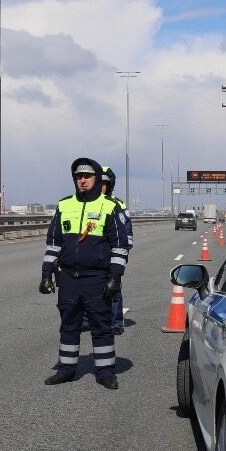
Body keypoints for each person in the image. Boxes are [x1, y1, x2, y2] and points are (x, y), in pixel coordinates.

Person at [39, 157, 131, 390]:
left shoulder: (109, 207)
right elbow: (53, 243)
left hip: (96, 278)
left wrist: (115, 277)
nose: (83, 181)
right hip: (68, 277)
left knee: (101, 325)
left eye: (87, 177)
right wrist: (46, 273)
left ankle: (106, 372)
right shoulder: (64, 205)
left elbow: (120, 246)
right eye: (79, 177)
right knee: (68, 324)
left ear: (97, 179)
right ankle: (67, 369)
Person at [100, 166, 133, 334]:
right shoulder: (85, 204)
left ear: (110, 184)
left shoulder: (117, 205)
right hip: (92, 258)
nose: (101, 186)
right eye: (99, 182)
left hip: (111, 257)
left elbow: (127, 233)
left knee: (113, 290)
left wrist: (121, 257)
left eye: (104, 183)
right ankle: (86, 322)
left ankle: (115, 323)